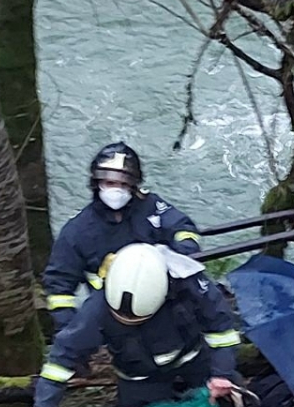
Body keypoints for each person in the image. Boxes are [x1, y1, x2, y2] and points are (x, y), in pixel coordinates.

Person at [22, 243, 241, 407]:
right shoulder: (97, 309)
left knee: (232, 405)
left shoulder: (190, 285)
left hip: (193, 357)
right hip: (140, 375)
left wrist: (222, 373)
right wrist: (43, 406)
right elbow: (65, 354)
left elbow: (221, 328)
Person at [42, 142, 203, 332]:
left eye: (124, 184)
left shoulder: (150, 206)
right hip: (115, 317)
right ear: (97, 183)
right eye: (110, 183)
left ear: (134, 186)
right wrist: (72, 331)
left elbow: (183, 228)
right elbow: (59, 288)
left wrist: (173, 256)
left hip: (166, 301)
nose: (117, 190)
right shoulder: (77, 231)